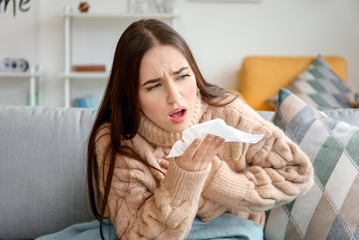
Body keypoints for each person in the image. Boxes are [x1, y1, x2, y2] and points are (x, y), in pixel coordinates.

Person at [86, 19, 314, 240]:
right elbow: (137, 235)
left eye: (183, 76)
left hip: (234, 231)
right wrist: (183, 180)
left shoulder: (227, 113)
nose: (175, 96)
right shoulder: (116, 139)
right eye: (154, 85)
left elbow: (298, 173)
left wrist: (215, 179)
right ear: (131, 95)